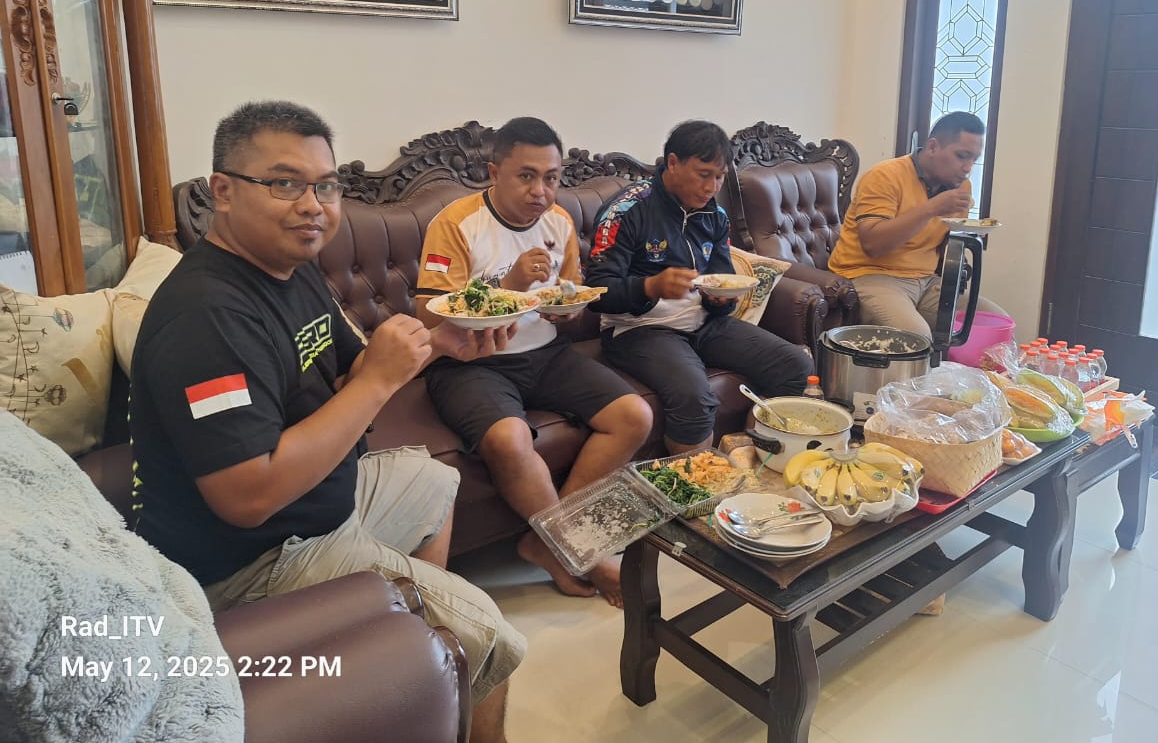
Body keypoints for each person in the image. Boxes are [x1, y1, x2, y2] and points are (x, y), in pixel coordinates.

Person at [129, 102, 523, 743]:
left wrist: (438, 343)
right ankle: (438, 648)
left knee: (432, 481)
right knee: (491, 634)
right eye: (285, 183)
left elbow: (350, 374)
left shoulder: (291, 270)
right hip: (253, 559)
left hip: (318, 502)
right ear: (222, 191)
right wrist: (377, 381)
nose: (313, 205)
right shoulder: (206, 317)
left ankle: (414, 664)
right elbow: (246, 497)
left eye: (327, 185)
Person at [416, 117, 652, 608]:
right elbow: (429, 315)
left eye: (551, 178)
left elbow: (570, 296)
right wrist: (510, 286)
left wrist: (566, 310)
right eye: (526, 176)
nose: (540, 191)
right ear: (494, 172)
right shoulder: (455, 223)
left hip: (544, 352)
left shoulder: (558, 222)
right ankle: (575, 550)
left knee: (634, 416)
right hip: (471, 363)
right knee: (509, 438)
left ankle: (548, 543)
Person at [585, 119, 813, 454]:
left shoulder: (714, 216)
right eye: (704, 174)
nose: (711, 187)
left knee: (796, 366)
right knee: (694, 397)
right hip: (639, 329)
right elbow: (597, 292)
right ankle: (695, 482)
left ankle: (750, 456)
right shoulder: (627, 210)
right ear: (673, 163)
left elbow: (721, 278)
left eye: (719, 177)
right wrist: (650, 287)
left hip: (703, 322)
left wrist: (720, 299)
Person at [827, 111, 1007, 339]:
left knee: (997, 324)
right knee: (917, 336)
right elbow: (873, 244)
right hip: (870, 274)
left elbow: (943, 242)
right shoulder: (885, 176)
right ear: (932, 147)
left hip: (927, 280)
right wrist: (931, 208)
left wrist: (966, 239)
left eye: (974, 159)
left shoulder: (961, 187)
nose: (968, 168)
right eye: (962, 156)